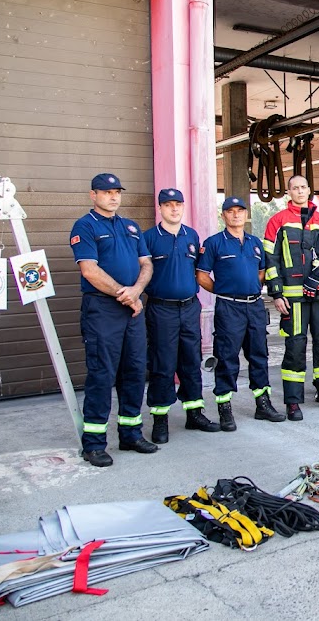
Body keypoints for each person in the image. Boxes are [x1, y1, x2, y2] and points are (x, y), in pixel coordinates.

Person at [69, 173, 157, 467]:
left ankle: (131, 434)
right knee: (102, 374)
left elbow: (146, 264)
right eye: (106, 192)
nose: (113, 196)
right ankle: (93, 444)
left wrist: (137, 291)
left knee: (134, 371)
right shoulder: (85, 226)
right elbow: (89, 271)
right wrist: (127, 296)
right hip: (103, 309)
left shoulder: (131, 226)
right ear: (93, 195)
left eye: (117, 191)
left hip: (132, 309)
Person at [196, 196, 286, 430]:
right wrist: (225, 290)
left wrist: (248, 289)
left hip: (255, 306)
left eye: (240, 211)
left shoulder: (255, 243)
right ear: (223, 215)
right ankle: (225, 409)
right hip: (229, 308)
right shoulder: (214, 243)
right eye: (230, 211)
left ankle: (262, 404)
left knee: (259, 355)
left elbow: (261, 273)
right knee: (226, 358)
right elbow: (202, 276)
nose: (236, 215)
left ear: (246, 215)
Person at [265, 192, 319, 416]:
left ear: (308, 191)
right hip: (293, 299)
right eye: (295, 187)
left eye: (304, 187)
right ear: (290, 191)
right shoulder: (278, 221)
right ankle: (292, 402)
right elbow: (270, 258)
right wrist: (276, 293)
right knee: (295, 347)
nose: (300, 191)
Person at [143, 188, 219, 444]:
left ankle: (194, 413)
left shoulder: (192, 236)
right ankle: (160, 420)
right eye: (168, 205)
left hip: (189, 308)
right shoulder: (149, 238)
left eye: (178, 204)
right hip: (161, 308)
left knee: (191, 360)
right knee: (162, 364)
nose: (174, 209)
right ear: (160, 208)